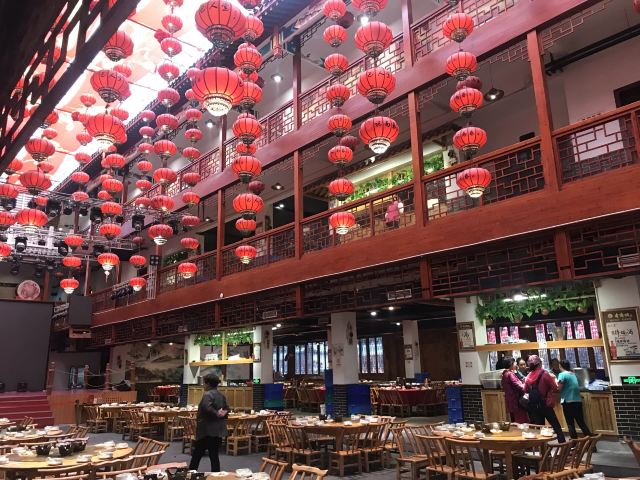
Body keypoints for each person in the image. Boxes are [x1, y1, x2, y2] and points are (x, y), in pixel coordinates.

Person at [189, 373, 229, 472]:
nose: (203, 385)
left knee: (197, 455)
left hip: (206, 430)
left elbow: (207, 408)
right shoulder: (221, 395)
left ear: (208, 384)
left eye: (204, 383)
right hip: (217, 430)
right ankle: (216, 475)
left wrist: (217, 413)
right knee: (214, 456)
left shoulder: (207, 394)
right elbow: (227, 408)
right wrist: (223, 413)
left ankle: (190, 474)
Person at [524, 355, 566, 443]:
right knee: (555, 425)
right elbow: (554, 387)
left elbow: (526, 390)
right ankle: (562, 443)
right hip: (546, 403)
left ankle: (543, 448)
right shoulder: (545, 374)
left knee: (540, 427)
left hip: (534, 405)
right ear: (539, 363)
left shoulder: (528, 376)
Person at [557, 359, 592, 439]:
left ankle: (574, 442)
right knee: (581, 422)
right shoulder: (573, 374)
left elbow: (559, 388)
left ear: (560, 366)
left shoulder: (562, 375)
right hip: (577, 401)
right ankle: (590, 440)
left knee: (570, 423)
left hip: (567, 401)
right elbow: (579, 385)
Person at [501, 357, 529, 423]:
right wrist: (527, 386)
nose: (516, 364)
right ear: (511, 364)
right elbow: (519, 386)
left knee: (514, 420)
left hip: (510, 401)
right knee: (521, 421)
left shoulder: (504, 374)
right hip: (516, 401)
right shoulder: (510, 374)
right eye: (514, 362)